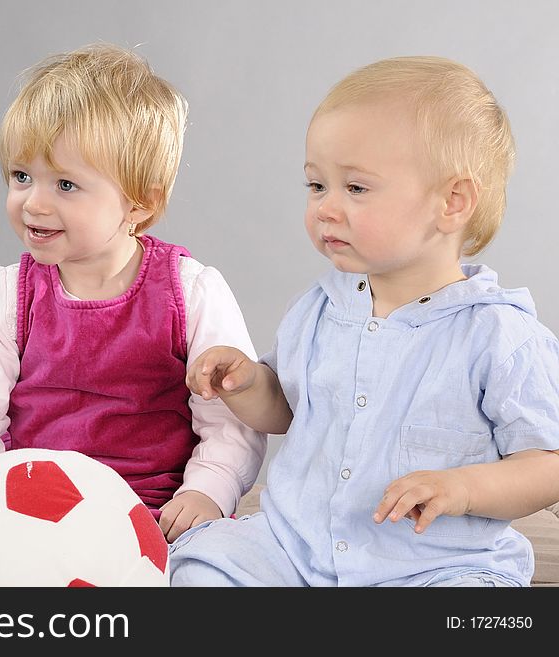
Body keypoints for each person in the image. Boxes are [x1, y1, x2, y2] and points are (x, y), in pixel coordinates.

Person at [173, 56, 559, 587]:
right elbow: (285, 410)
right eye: (316, 186)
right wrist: (244, 382)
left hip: (433, 566)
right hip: (297, 550)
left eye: (355, 188)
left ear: (452, 202)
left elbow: (548, 462)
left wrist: (463, 489)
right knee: (203, 566)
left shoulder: (499, 336)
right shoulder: (320, 308)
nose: (326, 208)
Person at [0, 43, 265, 547]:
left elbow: (229, 422)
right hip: (22, 493)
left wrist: (209, 491)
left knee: (212, 552)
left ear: (140, 204)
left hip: (146, 499)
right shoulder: (6, 293)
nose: (34, 202)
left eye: (66, 184)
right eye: (22, 176)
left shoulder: (191, 290)